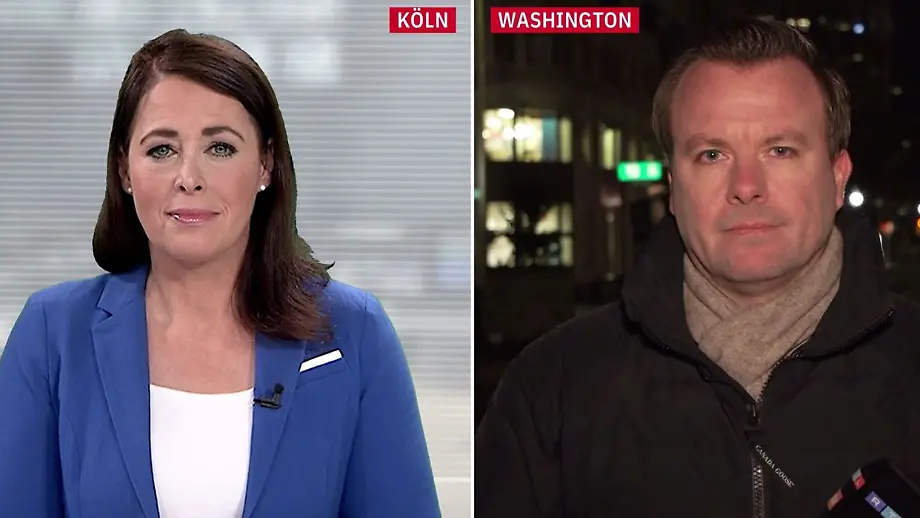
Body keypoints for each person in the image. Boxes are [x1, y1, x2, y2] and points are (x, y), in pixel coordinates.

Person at [475, 18, 920, 517]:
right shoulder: (550, 388)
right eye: (712, 154)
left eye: (780, 150)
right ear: (673, 189)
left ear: (838, 177)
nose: (746, 186)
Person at [0, 29, 440, 518]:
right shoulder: (53, 334)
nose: (189, 177)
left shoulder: (354, 331)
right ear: (124, 169)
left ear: (265, 165)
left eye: (221, 148)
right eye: (162, 150)